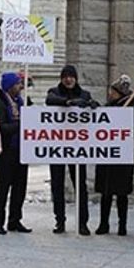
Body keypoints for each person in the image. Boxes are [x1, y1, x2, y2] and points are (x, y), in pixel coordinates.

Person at [46, 64, 95, 235]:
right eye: (65, 76)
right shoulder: (53, 92)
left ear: (76, 78)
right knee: (57, 186)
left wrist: (91, 105)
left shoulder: (85, 94)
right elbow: (50, 100)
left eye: (71, 76)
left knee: (80, 186)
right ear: (61, 78)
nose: (68, 79)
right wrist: (70, 102)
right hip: (57, 147)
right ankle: (60, 221)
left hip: (77, 148)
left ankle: (83, 223)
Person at [96, 75, 134, 236]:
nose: (109, 93)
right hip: (106, 155)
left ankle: (122, 225)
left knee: (122, 193)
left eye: (113, 91)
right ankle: (103, 223)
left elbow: (133, 130)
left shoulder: (129, 108)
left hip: (122, 155)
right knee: (106, 192)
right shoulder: (109, 107)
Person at [0, 71, 31, 235]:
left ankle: (15, 220)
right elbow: (2, 128)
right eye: (17, 84)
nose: (20, 87)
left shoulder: (21, 102)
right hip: (6, 151)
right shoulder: (0, 103)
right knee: (3, 186)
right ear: (9, 86)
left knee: (20, 187)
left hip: (22, 150)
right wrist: (21, 124)